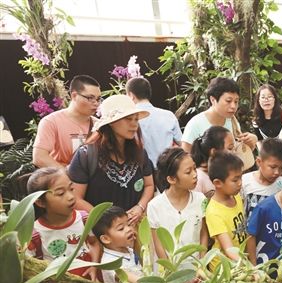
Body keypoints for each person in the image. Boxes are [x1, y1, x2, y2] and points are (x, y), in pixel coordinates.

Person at [68, 95, 154, 226]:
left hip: (135, 230)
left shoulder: (140, 153)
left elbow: (149, 185)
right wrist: (106, 219)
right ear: (111, 123)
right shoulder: (85, 155)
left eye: (136, 119)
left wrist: (139, 207)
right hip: (99, 231)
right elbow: (76, 198)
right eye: (128, 119)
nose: (134, 124)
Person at [26, 167, 101, 281]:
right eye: (61, 193)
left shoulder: (84, 218)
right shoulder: (34, 235)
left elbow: (94, 243)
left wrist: (94, 266)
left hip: (92, 282)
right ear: (40, 202)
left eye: (71, 189)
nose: (71, 197)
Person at [148, 147, 208, 268]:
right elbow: (158, 245)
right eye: (188, 172)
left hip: (196, 269)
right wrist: (172, 271)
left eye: (195, 169)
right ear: (171, 179)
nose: (195, 175)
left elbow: (203, 234)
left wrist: (202, 265)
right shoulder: (155, 206)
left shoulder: (201, 199)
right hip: (168, 272)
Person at [33, 75, 101, 168]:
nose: (96, 103)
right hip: (64, 180)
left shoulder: (99, 125)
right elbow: (39, 158)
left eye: (98, 99)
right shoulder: (51, 122)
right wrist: (70, 175)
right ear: (74, 95)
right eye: (90, 98)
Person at [181, 77, 257, 153]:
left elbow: (238, 155)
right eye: (228, 101)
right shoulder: (195, 124)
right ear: (213, 100)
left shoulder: (233, 122)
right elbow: (186, 157)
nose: (233, 106)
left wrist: (250, 143)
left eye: (236, 101)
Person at [126, 77, 182, 168]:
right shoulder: (168, 115)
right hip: (168, 168)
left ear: (131, 95)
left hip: (142, 170)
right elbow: (182, 144)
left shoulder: (128, 119)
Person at [205, 152, 245, 270]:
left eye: (241, 177)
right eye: (235, 180)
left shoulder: (236, 197)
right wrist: (249, 268)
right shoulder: (214, 212)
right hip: (222, 269)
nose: (240, 183)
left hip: (238, 262)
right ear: (218, 183)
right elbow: (228, 249)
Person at [93, 206, 143, 283]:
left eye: (129, 224)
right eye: (121, 228)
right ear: (106, 239)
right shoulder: (110, 263)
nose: (129, 229)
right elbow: (139, 281)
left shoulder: (126, 248)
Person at [242, 137, 282, 219]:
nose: (277, 172)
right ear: (259, 162)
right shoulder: (244, 181)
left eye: (281, 168)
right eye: (273, 167)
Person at [191, 126, 235, 198]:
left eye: (234, 148)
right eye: (230, 148)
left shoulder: (225, 172)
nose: (234, 153)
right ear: (214, 152)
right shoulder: (198, 178)